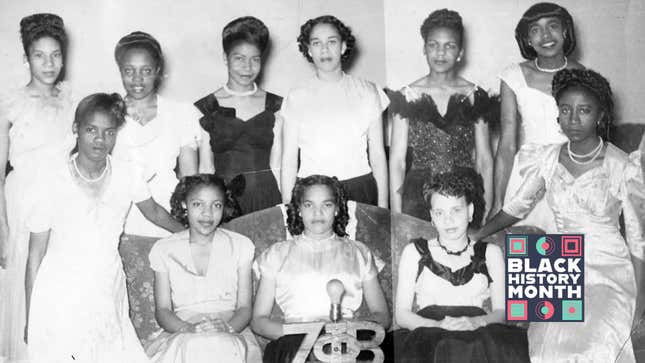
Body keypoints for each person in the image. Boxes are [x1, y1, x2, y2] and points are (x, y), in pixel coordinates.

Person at [474, 69, 645, 362]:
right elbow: (517, 207)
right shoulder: (547, 158)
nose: (574, 119)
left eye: (584, 111)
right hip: (557, 262)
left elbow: (638, 240)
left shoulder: (622, 165)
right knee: (547, 349)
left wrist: (640, 303)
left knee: (596, 344)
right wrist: (478, 233)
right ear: (557, 116)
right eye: (566, 110)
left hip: (608, 270)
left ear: (601, 116)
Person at [24, 93, 184, 363]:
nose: (100, 140)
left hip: (106, 287)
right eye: (91, 130)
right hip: (59, 292)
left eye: (109, 132)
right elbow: (35, 256)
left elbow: (154, 212)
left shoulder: (126, 172)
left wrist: (188, 233)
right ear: (76, 129)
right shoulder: (51, 178)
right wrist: (31, 316)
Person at [389, 171, 529, 362]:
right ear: (432, 216)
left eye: (456, 210)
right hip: (429, 333)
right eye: (440, 212)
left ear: (470, 211)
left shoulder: (491, 253)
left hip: (478, 332)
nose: (448, 220)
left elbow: (502, 312)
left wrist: (475, 322)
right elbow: (402, 315)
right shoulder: (414, 251)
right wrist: (438, 325)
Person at [252, 175, 390, 362]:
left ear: (337, 209)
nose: (318, 213)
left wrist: (348, 331)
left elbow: (382, 316)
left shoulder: (359, 252)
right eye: (309, 205)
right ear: (299, 209)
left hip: (345, 340)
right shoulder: (277, 254)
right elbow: (259, 321)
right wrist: (308, 334)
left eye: (326, 205)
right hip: (295, 344)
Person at [0, 13, 74, 362]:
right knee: (22, 278)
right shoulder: (9, 104)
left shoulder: (72, 100)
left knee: (56, 278)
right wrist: (0, 224)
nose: (49, 63)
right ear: (26, 58)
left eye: (56, 54)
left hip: (62, 200)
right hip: (23, 201)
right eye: (40, 55)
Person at [387, 9, 494, 225]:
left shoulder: (475, 95)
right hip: (418, 196)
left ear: (460, 52)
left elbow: (484, 159)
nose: (440, 53)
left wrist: (487, 208)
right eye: (433, 45)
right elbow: (397, 161)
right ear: (424, 49)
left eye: (449, 46)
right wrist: (397, 214)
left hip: (464, 195)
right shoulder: (407, 96)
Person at [146, 174, 261, 363]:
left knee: (219, 343)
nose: (207, 214)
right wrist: (188, 329)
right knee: (194, 345)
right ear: (184, 204)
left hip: (230, 330)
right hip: (182, 331)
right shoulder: (164, 249)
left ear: (224, 207)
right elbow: (163, 310)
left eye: (216, 205)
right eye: (198, 204)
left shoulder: (241, 245)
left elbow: (244, 308)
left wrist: (227, 328)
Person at [492, 2, 583, 231]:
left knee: (568, 257)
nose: (545, 35)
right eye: (535, 30)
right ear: (528, 40)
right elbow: (507, 145)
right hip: (527, 175)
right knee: (525, 258)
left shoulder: (584, 75)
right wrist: (497, 202)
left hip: (571, 176)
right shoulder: (513, 76)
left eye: (553, 26)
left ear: (565, 31)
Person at [280, 16, 389, 207]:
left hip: (359, 189)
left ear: (343, 46)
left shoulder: (368, 91)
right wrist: (288, 207)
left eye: (332, 42)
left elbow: (378, 155)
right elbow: (288, 159)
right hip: (312, 193)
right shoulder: (296, 96)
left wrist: (382, 207)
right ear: (308, 50)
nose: (324, 49)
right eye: (316, 43)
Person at [111, 31, 202, 252]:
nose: (137, 79)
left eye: (146, 71)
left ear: (158, 71)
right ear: (120, 71)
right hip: (122, 217)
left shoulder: (181, 113)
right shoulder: (109, 114)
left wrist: (188, 226)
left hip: (170, 215)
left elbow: (190, 180)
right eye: (129, 71)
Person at [195, 16, 283, 215]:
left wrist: (285, 207)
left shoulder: (277, 106)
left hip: (268, 198)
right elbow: (206, 167)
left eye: (255, 59)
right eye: (239, 58)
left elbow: (278, 165)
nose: (248, 67)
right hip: (224, 203)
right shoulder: (206, 107)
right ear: (226, 58)